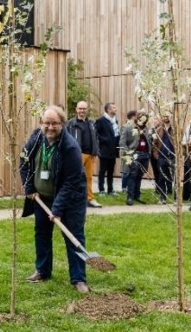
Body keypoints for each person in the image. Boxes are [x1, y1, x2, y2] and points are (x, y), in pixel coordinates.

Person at [21, 105, 89, 293]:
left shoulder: (70, 147)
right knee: (41, 233)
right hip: (41, 197)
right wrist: (29, 187)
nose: (50, 127)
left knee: (74, 236)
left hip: (70, 199)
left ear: (62, 124)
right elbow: (23, 161)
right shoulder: (36, 138)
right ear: (41, 123)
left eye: (54, 123)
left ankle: (78, 278)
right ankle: (42, 270)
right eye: (46, 123)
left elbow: (72, 181)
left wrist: (58, 208)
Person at [65, 101, 101, 208]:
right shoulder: (70, 123)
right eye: (80, 108)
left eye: (84, 109)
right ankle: (75, 199)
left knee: (89, 178)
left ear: (87, 110)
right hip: (77, 155)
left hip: (90, 155)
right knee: (76, 178)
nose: (82, 111)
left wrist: (95, 151)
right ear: (76, 109)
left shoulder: (91, 122)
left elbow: (96, 138)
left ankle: (90, 199)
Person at [120, 111, 152, 206]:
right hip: (134, 155)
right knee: (132, 175)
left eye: (145, 118)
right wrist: (128, 154)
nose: (143, 120)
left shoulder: (146, 129)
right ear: (137, 118)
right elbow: (122, 143)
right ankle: (130, 197)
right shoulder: (128, 127)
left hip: (145, 155)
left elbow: (148, 141)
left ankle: (137, 196)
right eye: (141, 118)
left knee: (139, 176)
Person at [94, 102, 120, 195]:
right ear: (108, 110)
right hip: (104, 150)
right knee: (102, 170)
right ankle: (101, 190)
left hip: (113, 150)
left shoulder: (115, 120)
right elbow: (95, 133)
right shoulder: (101, 120)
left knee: (111, 171)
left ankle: (110, 190)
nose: (115, 109)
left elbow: (116, 134)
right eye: (114, 107)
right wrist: (105, 140)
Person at [152, 114, 175, 204]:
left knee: (175, 179)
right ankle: (162, 198)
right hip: (161, 157)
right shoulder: (158, 130)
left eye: (167, 116)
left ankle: (176, 199)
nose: (166, 118)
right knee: (161, 178)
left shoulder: (175, 130)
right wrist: (156, 155)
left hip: (173, 157)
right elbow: (154, 144)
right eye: (164, 116)